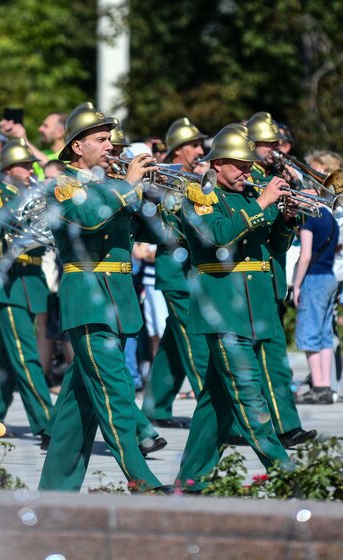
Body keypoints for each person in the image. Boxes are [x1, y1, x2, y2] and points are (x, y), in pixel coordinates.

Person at [39, 103, 164, 491]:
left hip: (120, 302)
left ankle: (54, 493)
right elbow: (90, 217)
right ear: (77, 147)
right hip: (89, 302)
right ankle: (143, 482)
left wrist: (161, 197)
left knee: (77, 409)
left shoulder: (114, 186)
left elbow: (154, 235)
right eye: (100, 138)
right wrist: (128, 185)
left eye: (110, 137)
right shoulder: (64, 184)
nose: (110, 144)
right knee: (116, 394)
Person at [175, 123, 296, 490]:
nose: (247, 171)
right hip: (222, 312)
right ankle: (289, 475)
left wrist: (287, 220)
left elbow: (273, 250)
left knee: (216, 404)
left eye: (249, 165)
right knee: (248, 397)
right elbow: (217, 236)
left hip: (253, 310)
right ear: (219, 163)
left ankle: (189, 483)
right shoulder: (200, 195)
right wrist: (262, 204)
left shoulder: (249, 196)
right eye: (239, 165)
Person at [0, 138, 54, 442]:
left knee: (4, 357)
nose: (30, 169)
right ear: (7, 169)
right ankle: (47, 424)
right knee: (25, 355)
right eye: (23, 164)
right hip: (7, 283)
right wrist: (7, 244)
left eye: (30, 164)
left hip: (30, 279)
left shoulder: (33, 195)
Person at [245, 111, 316, 447]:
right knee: (254, 363)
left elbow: (282, 230)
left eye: (277, 143)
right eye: (268, 144)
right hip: (243, 282)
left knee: (271, 359)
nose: (275, 149)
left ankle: (285, 425)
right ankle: (280, 427)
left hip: (268, 274)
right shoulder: (246, 178)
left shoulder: (273, 174)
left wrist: (294, 193)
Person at [142, 117, 210, 428]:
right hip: (175, 267)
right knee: (194, 338)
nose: (200, 150)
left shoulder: (196, 176)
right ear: (179, 150)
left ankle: (156, 407)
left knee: (174, 340)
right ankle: (213, 408)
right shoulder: (162, 178)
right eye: (194, 145)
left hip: (192, 267)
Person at [292, 204, 339, 404]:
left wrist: (296, 285)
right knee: (325, 334)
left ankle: (319, 388)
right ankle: (326, 386)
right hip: (330, 277)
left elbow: (306, 255)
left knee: (309, 332)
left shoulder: (309, 219)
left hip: (313, 279)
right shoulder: (330, 217)